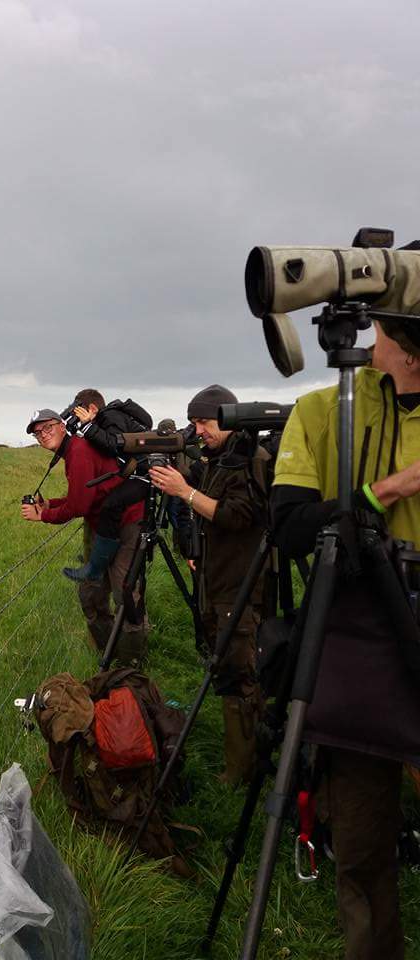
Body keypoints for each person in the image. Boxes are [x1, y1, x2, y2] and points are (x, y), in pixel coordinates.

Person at [271, 318, 420, 960]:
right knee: (360, 846)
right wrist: (387, 490)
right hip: (363, 634)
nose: (369, 334)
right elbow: (289, 528)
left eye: (382, 322)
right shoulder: (324, 409)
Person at [148, 385, 270, 786]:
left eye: (204, 422)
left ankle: (241, 772)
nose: (198, 431)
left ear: (228, 418)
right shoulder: (221, 458)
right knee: (228, 665)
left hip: (240, 584)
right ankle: (247, 756)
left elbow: (238, 516)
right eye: (195, 422)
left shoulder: (250, 459)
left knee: (239, 672)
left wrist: (183, 492)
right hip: (217, 580)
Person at [21, 409, 148, 665]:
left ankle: (133, 663)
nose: (42, 436)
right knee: (90, 593)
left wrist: (43, 516)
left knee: (125, 593)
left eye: (47, 428)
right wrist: (51, 504)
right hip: (104, 526)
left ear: (61, 426)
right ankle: (108, 654)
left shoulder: (78, 451)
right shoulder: (73, 450)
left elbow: (79, 506)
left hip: (127, 522)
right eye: (37, 434)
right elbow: (85, 496)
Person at [61, 388, 152, 582]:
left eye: (79, 412)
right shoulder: (106, 419)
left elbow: (114, 445)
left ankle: (96, 568)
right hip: (140, 472)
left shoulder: (110, 416)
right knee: (110, 505)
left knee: (111, 505)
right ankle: (98, 561)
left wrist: (87, 427)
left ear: (93, 408)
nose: (78, 418)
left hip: (146, 475)